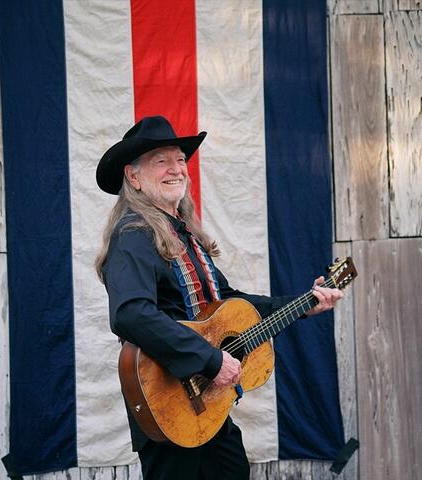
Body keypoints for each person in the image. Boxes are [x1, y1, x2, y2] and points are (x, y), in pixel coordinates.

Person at [95, 115, 343, 480]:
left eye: (180, 159)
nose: (176, 168)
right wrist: (210, 360)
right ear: (134, 177)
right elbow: (131, 314)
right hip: (167, 399)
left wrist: (305, 302)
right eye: (161, 161)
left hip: (205, 402)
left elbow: (229, 304)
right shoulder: (134, 234)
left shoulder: (185, 236)